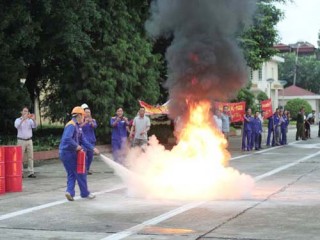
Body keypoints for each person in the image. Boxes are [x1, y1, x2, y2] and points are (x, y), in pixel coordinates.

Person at [59, 106, 100, 201]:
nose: (84, 118)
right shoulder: (71, 125)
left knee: (72, 173)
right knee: (80, 172)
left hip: (69, 153)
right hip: (67, 153)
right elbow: (67, 138)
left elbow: (83, 140)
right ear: (79, 115)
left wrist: (92, 148)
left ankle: (69, 192)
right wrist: (76, 146)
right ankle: (85, 193)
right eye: (83, 116)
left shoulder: (77, 126)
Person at [14, 106, 37, 178]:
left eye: (27, 111)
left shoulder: (30, 120)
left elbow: (35, 126)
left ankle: (31, 172)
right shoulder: (18, 120)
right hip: (21, 140)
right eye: (24, 111)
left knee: (30, 157)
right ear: (21, 112)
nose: (25, 112)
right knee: (20, 157)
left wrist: (34, 120)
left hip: (29, 140)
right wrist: (23, 120)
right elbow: (16, 126)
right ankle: (20, 173)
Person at [80, 104, 97, 174]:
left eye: (89, 112)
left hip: (91, 140)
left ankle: (87, 169)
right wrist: (85, 122)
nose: (88, 113)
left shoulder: (93, 120)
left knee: (90, 156)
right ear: (83, 113)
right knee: (84, 156)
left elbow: (95, 126)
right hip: (84, 141)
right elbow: (79, 127)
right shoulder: (81, 120)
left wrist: (91, 122)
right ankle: (84, 169)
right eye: (86, 112)